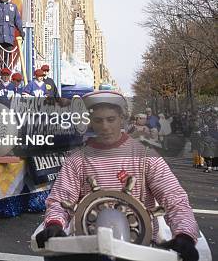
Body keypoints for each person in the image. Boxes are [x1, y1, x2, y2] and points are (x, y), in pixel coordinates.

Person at [35, 91, 200, 261]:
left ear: (122, 118)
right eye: (98, 120)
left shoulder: (146, 157)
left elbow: (175, 199)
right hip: (89, 249)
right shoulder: (77, 160)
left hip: (140, 250)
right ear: (90, 122)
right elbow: (60, 200)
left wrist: (184, 235)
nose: (105, 127)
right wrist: (54, 224)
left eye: (111, 119)